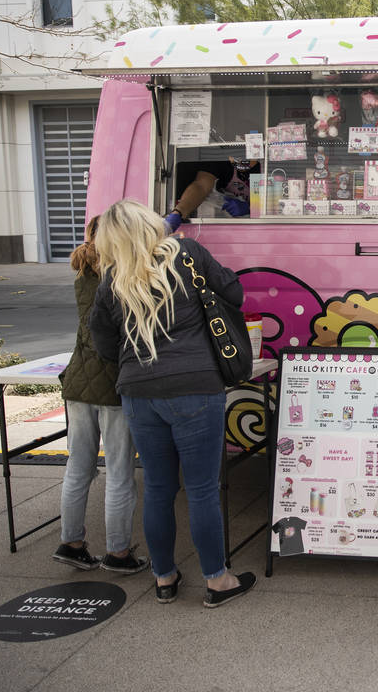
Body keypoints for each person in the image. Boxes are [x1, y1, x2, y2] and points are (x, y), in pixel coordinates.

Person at [90, 199, 256, 608]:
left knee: (160, 490)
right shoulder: (187, 253)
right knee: (201, 491)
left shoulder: (112, 279)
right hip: (196, 387)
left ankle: (164, 578)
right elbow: (234, 292)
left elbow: (104, 345)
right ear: (150, 224)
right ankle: (217, 581)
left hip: (139, 394)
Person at [52, 216, 149, 575]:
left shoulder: (82, 272)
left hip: (77, 382)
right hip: (112, 384)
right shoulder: (120, 277)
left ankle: (71, 542)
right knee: (120, 472)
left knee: (78, 467)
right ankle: (118, 553)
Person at [164, 156, 259, 231]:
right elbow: (201, 186)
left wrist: (251, 208)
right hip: (228, 228)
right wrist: (179, 212)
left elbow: (271, 202)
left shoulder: (262, 167)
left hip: (257, 227)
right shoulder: (222, 163)